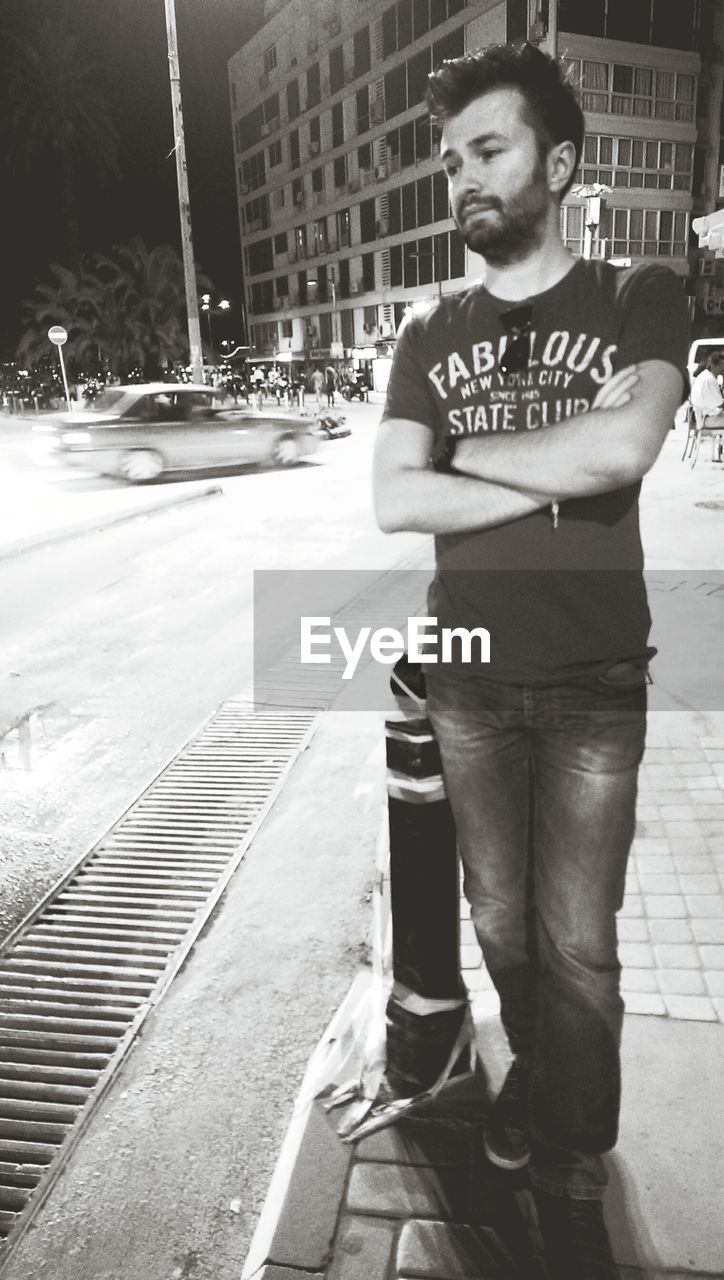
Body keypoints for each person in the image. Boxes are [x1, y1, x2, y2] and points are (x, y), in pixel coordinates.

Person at [372, 43, 688, 1280]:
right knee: (501, 924)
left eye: (487, 150)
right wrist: (568, 443)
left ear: (556, 163)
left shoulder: (638, 291)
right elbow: (395, 500)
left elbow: (627, 453)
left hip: (595, 681)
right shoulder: (425, 329)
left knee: (582, 946)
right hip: (465, 678)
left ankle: (571, 1160)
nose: (463, 177)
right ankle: (545, 1076)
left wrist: (471, 467)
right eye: (450, 159)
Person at [690, 352, 724, 460]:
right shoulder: (709, 380)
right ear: (714, 365)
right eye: (722, 365)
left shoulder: (704, 376)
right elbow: (720, 404)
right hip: (708, 421)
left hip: (702, 418)